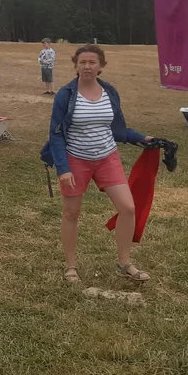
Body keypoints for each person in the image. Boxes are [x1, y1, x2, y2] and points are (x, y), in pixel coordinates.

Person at [43, 44, 153, 284]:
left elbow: (118, 129)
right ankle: (70, 266)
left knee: (128, 208)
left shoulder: (109, 92)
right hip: (75, 159)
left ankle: (124, 264)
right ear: (76, 65)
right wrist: (63, 169)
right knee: (71, 213)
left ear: (101, 66)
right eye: (82, 62)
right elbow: (56, 134)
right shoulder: (66, 95)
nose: (87, 67)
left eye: (92, 62)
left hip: (107, 157)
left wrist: (143, 138)